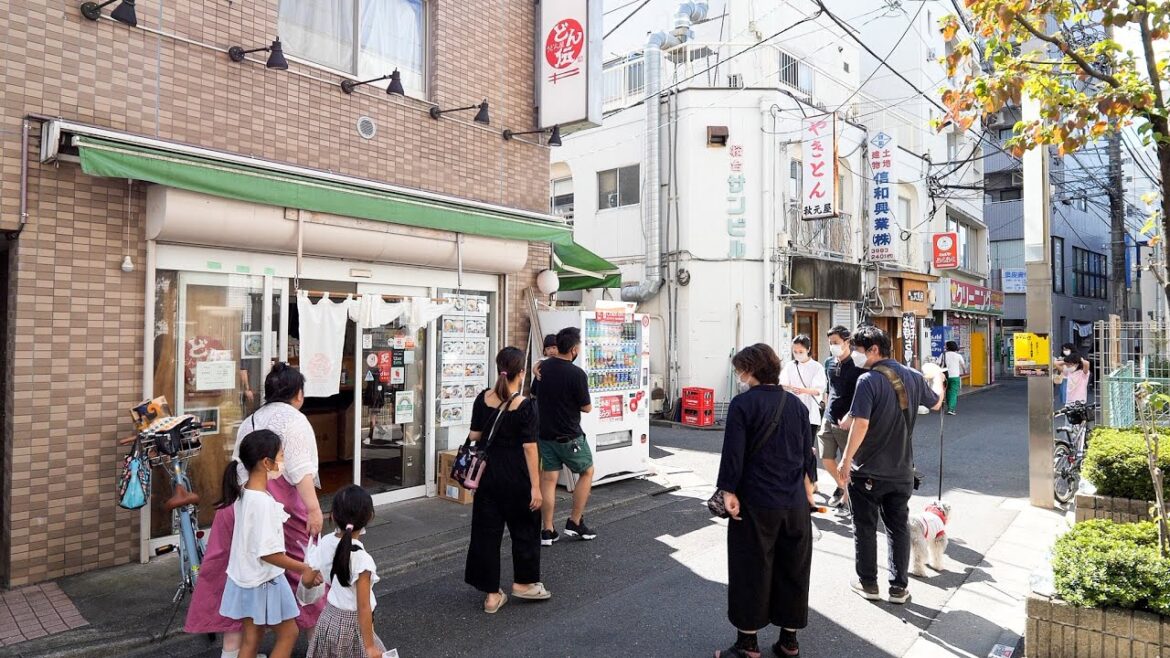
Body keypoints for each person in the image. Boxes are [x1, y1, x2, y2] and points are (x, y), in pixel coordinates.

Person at [186, 363, 326, 657]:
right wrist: (314, 510)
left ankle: (230, 650)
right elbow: (301, 472)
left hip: (239, 504)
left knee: (236, 586)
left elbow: (241, 467)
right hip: (281, 510)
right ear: (298, 394)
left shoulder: (251, 419)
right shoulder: (295, 420)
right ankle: (322, 644)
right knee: (307, 576)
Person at [713, 344, 817, 658]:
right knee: (793, 570)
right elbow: (806, 457)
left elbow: (734, 454)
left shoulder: (743, 404)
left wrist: (728, 493)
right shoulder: (797, 406)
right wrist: (809, 494)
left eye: (739, 370)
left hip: (756, 503)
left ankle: (747, 646)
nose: (738, 375)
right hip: (794, 504)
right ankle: (789, 641)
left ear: (750, 370)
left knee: (751, 569)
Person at [838, 326, 944, 605]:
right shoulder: (913, 376)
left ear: (873, 349)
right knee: (897, 528)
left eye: (858, 350)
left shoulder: (868, 380)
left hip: (868, 470)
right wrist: (939, 380)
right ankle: (898, 588)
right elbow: (935, 403)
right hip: (901, 470)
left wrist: (846, 460)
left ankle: (868, 583)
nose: (856, 356)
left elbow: (861, 423)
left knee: (864, 526)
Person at [216, 430, 322, 658]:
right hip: (266, 581)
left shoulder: (244, 494)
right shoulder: (263, 503)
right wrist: (304, 567)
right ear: (267, 462)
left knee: (252, 638)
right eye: (281, 456)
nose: (283, 462)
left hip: (245, 578)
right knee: (289, 633)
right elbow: (269, 554)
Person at [465, 347, 551, 612]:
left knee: (486, 535)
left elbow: (474, 436)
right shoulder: (525, 405)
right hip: (517, 478)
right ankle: (524, 584)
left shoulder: (483, 399)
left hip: (487, 477)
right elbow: (529, 448)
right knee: (525, 529)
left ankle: (492, 595)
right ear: (521, 373)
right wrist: (536, 487)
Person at [530, 326, 596, 545]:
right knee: (587, 472)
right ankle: (575, 521)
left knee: (548, 481)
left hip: (545, 435)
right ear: (574, 349)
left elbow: (533, 394)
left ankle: (547, 530)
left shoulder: (541, 369)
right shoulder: (577, 374)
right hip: (570, 437)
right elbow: (586, 408)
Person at [306, 485, 387, 658]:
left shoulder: (326, 542)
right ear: (370, 517)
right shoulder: (363, 561)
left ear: (333, 516)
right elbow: (363, 606)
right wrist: (370, 647)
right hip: (354, 626)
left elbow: (306, 579)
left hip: (328, 619)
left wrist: (312, 580)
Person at [821, 326, 861, 509]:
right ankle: (842, 487)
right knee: (826, 457)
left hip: (848, 422)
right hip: (828, 417)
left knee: (848, 464)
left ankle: (847, 500)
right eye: (830, 343)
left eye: (836, 342)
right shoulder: (828, 362)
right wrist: (825, 402)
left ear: (847, 342)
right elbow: (830, 387)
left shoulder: (858, 365)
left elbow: (862, 394)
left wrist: (852, 416)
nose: (832, 346)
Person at [779, 334, 827, 445]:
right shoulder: (790, 366)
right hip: (791, 410)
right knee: (791, 445)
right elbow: (781, 384)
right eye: (795, 352)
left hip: (810, 412)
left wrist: (802, 390)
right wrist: (789, 387)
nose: (797, 354)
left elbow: (818, 390)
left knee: (807, 447)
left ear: (808, 349)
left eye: (801, 352)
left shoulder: (817, 367)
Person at [940, 341, 967, 416]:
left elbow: (938, 364)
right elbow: (963, 365)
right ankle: (951, 409)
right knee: (953, 392)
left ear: (948, 347)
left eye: (946, 345)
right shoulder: (958, 356)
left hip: (945, 376)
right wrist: (965, 370)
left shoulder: (943, 355)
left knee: (947, 391)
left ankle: (948, 406)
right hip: (955, 376)